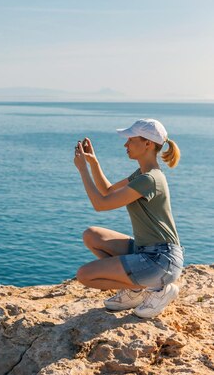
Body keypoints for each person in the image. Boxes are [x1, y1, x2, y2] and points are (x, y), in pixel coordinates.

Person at [73, 118, 183, 318]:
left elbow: (100, 204)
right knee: (92, 235)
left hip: (160, 260)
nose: (126, 144)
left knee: (85, 275)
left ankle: (157, 289)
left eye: (131, 140)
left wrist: (82, 170)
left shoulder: (149, 180)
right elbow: (106, 191)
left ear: (148, 144)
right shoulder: (142, 174)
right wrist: (93, 162)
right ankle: (136, 289)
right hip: (149, 252)